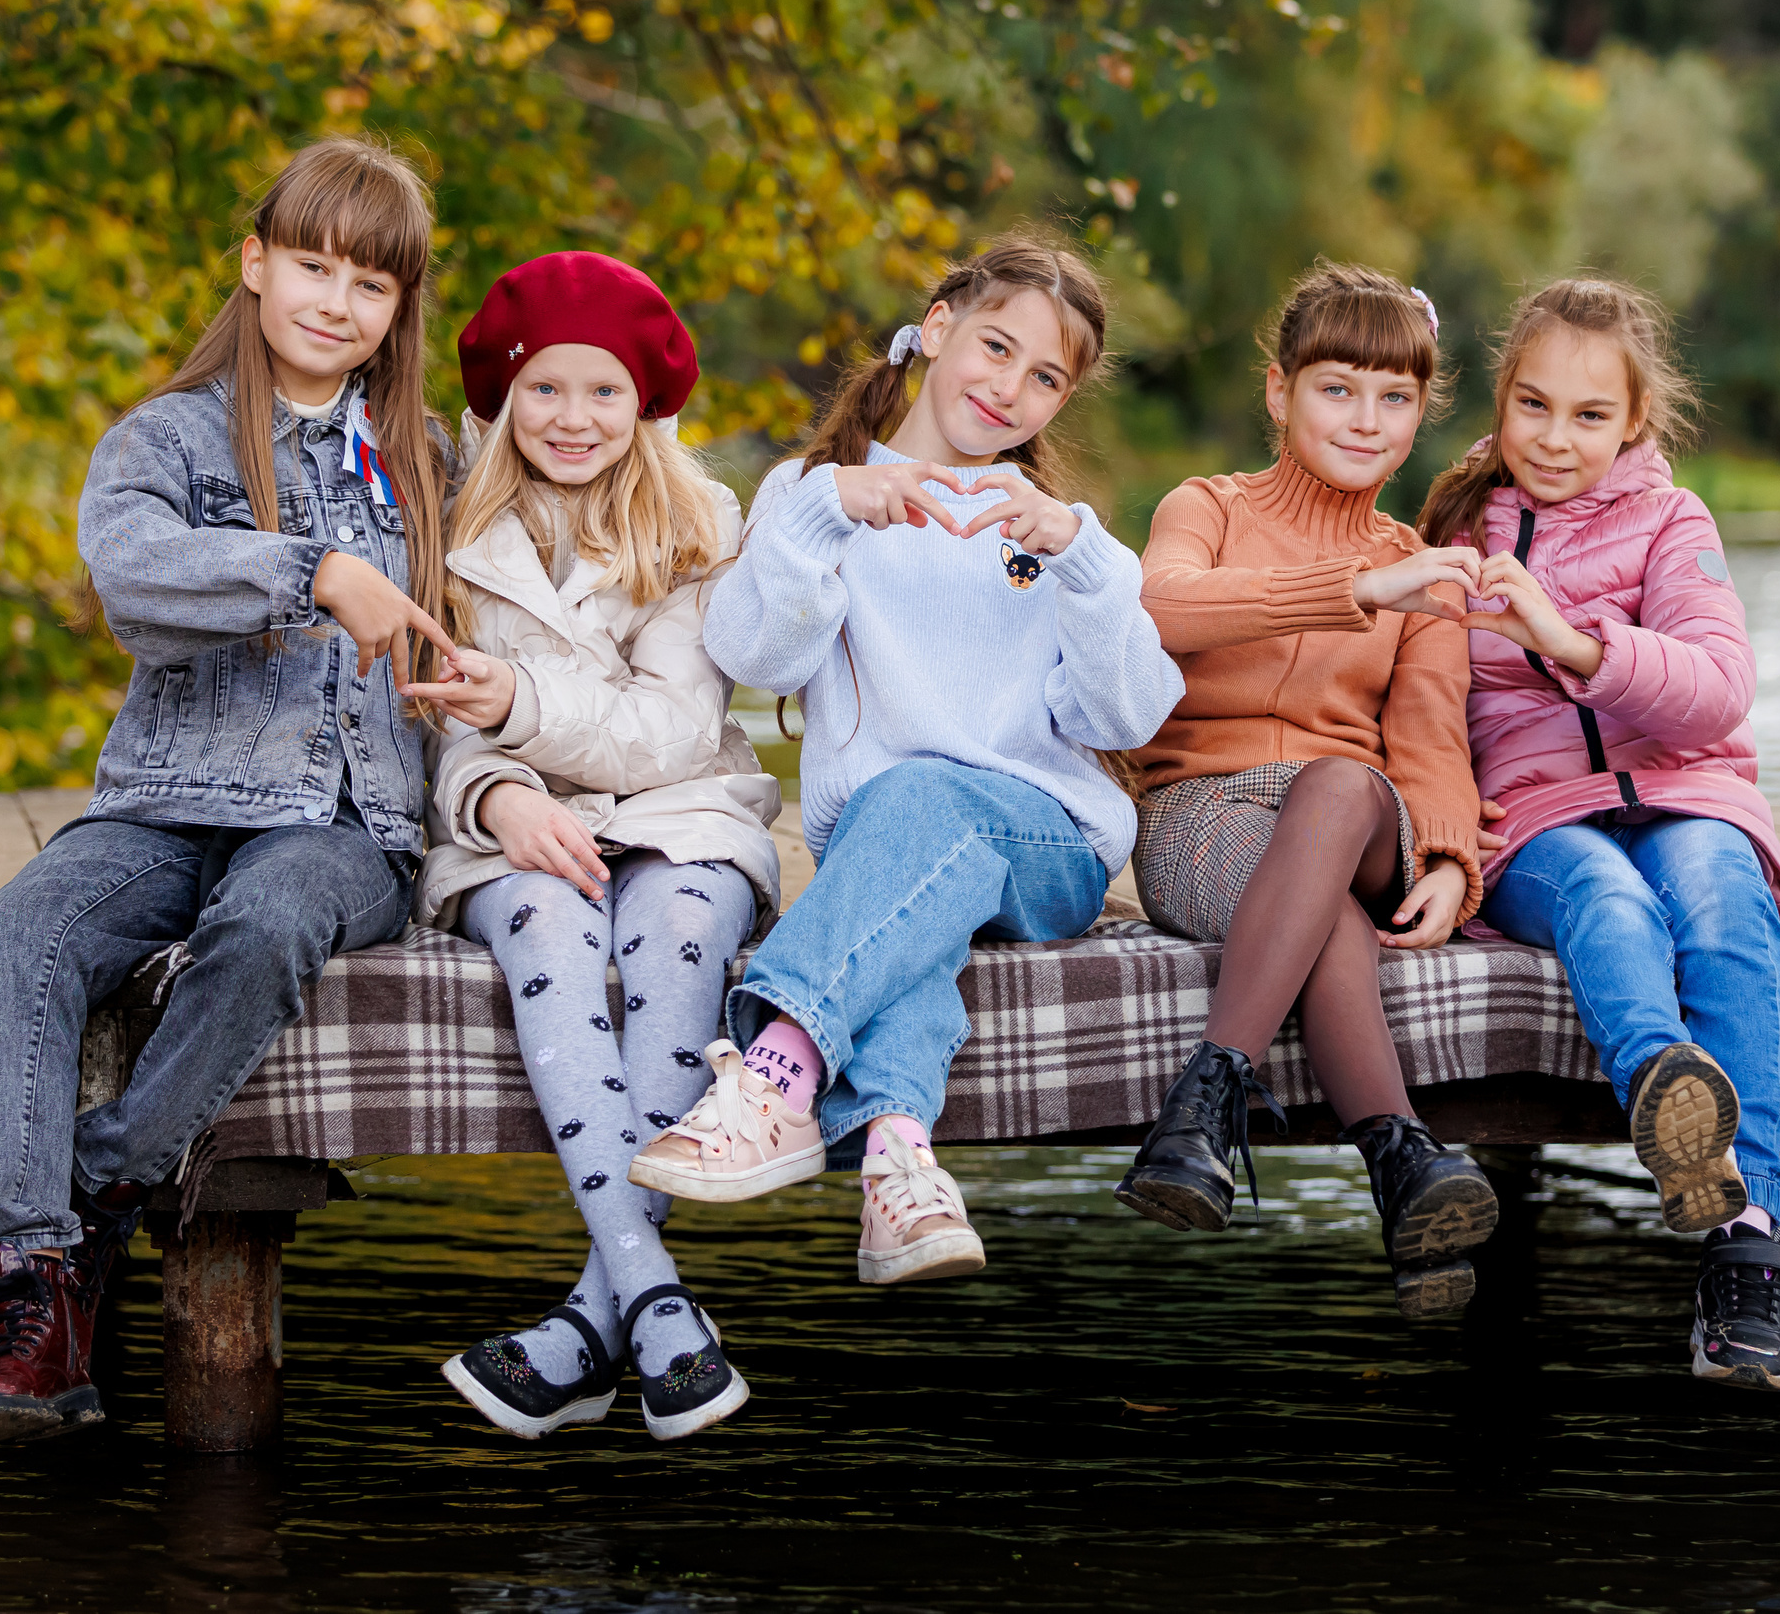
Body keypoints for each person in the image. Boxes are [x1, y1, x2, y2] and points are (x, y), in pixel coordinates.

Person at [0, 137, 458, 1445]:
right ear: (255, 265)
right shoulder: (163, 438)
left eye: (370, 285)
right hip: (170, 795)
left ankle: (101, 1183)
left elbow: (569, 523)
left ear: (399, 311)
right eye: (312, 266)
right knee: (24, 928)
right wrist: (310, 572)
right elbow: (135, 578)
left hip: (346, 821)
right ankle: (31, 1295)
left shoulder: (429, 462)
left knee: (269, 916)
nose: (336, 302)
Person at [630, 235, 1182, 1286]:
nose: (1008, 387)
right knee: (911, 890)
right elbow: (753, 652)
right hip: (894, 851)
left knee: (923, 798)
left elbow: (1124, 718)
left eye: (1045, 377)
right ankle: (899, 1164)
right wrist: (834, 510)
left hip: (1043, 846)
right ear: (937, 329)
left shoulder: (1055, 535)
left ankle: (776, 1072)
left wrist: (1082, 557)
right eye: (994, 347)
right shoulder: (814, 494)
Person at [1419, 276, 1780, 1393]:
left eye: (1589, 416)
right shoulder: (1456, 530)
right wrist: (1450, 845)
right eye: (1532, 406)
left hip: (1687, 791)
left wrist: (1573, 640)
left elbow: (1718, 690)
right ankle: (1669, 1106)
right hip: (1540, 821)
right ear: (1500, 402)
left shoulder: (1672, 521)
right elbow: (1422, 714)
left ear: (1634, 421)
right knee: (1610, 901)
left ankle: (1747, 1251)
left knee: (1720, 906)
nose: (1554, 439)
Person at [409, 252, 778, 1441]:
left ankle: (593, 1319)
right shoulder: (447, 520)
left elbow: (672, 731)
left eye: (604, 392)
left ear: (648, 403)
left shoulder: (697, 521)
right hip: (510, 814)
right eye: (546, 391)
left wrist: (515, 701)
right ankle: (660, 1313)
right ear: (502, 401)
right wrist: (493, 792)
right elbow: (418, 711)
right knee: (550, 934)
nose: (575, 419)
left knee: (676, 941)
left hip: (679, 813)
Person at [1114, 261, 1499, 1319]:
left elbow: (1427, 739)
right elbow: (1161, 605)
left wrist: (1453, 859)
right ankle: (1403, 1162)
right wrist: (1348, 589)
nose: (1366, 419)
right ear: (1278, 392)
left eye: (1395, 398)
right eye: (1337, 388)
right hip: (1202, 815)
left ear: (1421, 411)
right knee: (1319, 910)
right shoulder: (1206, 508)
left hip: (1355, 811)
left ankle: (1205, 1102)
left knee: (1335, 788)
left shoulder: (1417, 565)